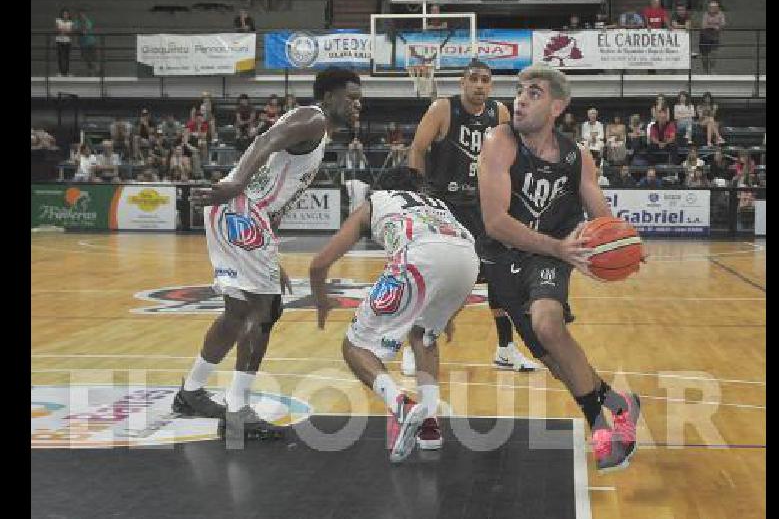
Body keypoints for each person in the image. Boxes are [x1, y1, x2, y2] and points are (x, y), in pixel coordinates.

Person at [172, 68, 363, 442]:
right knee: (266, 310)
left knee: (238, 312)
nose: (359, 104)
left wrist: (270, 256)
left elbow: (275, 193)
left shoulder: (318, 131)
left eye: (360, 98)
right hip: (240, 206)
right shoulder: (312, 118)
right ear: (328, 98)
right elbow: (267, 141)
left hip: (245, 213)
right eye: (351, 97)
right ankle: (238, 410)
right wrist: (235, 183)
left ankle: (191, 392)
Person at [478, 63, 641, 472]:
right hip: (505, 255)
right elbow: (495, 222)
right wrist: (559, 246)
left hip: (552, 254)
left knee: (549, 327)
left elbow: (603, 216)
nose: (520, 98)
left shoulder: (577, 157)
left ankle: (600, 429)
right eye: (518, 90)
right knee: (552, 358)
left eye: (533, 92)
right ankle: (619, 404)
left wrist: (627, 244)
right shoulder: (499, 141)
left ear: (557, 106)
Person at [310, 167, 479, 462]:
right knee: (424, 336)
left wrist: (322, 300)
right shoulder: (437, 204)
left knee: (354, 346)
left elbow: (319, 263)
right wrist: (448, 313)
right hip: (467, 260)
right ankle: (429, 426)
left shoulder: (375, 201)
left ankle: (400, 404)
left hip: (420, 255)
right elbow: (451, 252)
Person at [408, 59, 539, 376]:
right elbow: (416, 149)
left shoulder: (500, 113)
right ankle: (416, 347)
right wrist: (418, 195)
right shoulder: (443, 109)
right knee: (438, 280)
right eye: (474, 79)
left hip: (484, 209)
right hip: (445, 207)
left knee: (502, 280)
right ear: (462, 82)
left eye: (486, 80)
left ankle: (506, 349)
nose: (480, 85)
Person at [700, 0, 726, 74]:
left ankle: (712, 69)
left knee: (713, 54)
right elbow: (703, 26)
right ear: (708, 8)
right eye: (711, 7)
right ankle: (705, 70)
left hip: (715, 37)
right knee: (704, 56)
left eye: (715, 7)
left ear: (718, 8)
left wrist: (712, 26)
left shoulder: (721, 14)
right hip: (704, 37)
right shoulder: (706, 14)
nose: (713, 9)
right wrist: (714, 26)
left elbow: (723, 25)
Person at [76, 10, 97, 76]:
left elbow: (87, 28)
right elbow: (76, 29)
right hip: (83, 44)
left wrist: (83, 30)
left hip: (91, 42)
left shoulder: (87, 21)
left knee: (93, 58)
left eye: (83, 14)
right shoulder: (77, 22)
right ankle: (92, 70)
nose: (82, 16)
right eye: (80, 14)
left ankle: (94, 70)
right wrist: (81, 30)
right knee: (86, 58)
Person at [55, 9, 74, 77]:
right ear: (62, 15)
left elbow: (70, 31)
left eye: (66, 14)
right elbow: (57, 29)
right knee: (60, 57)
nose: (65, 15)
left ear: (68, 15)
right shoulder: (58, 20)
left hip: (67, 41)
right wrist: (65, 30)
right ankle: (60, 72)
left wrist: (63, 31)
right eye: (64, 14)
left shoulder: (70, 22)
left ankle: (67, 72)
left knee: (67, 57)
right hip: (59, 41)